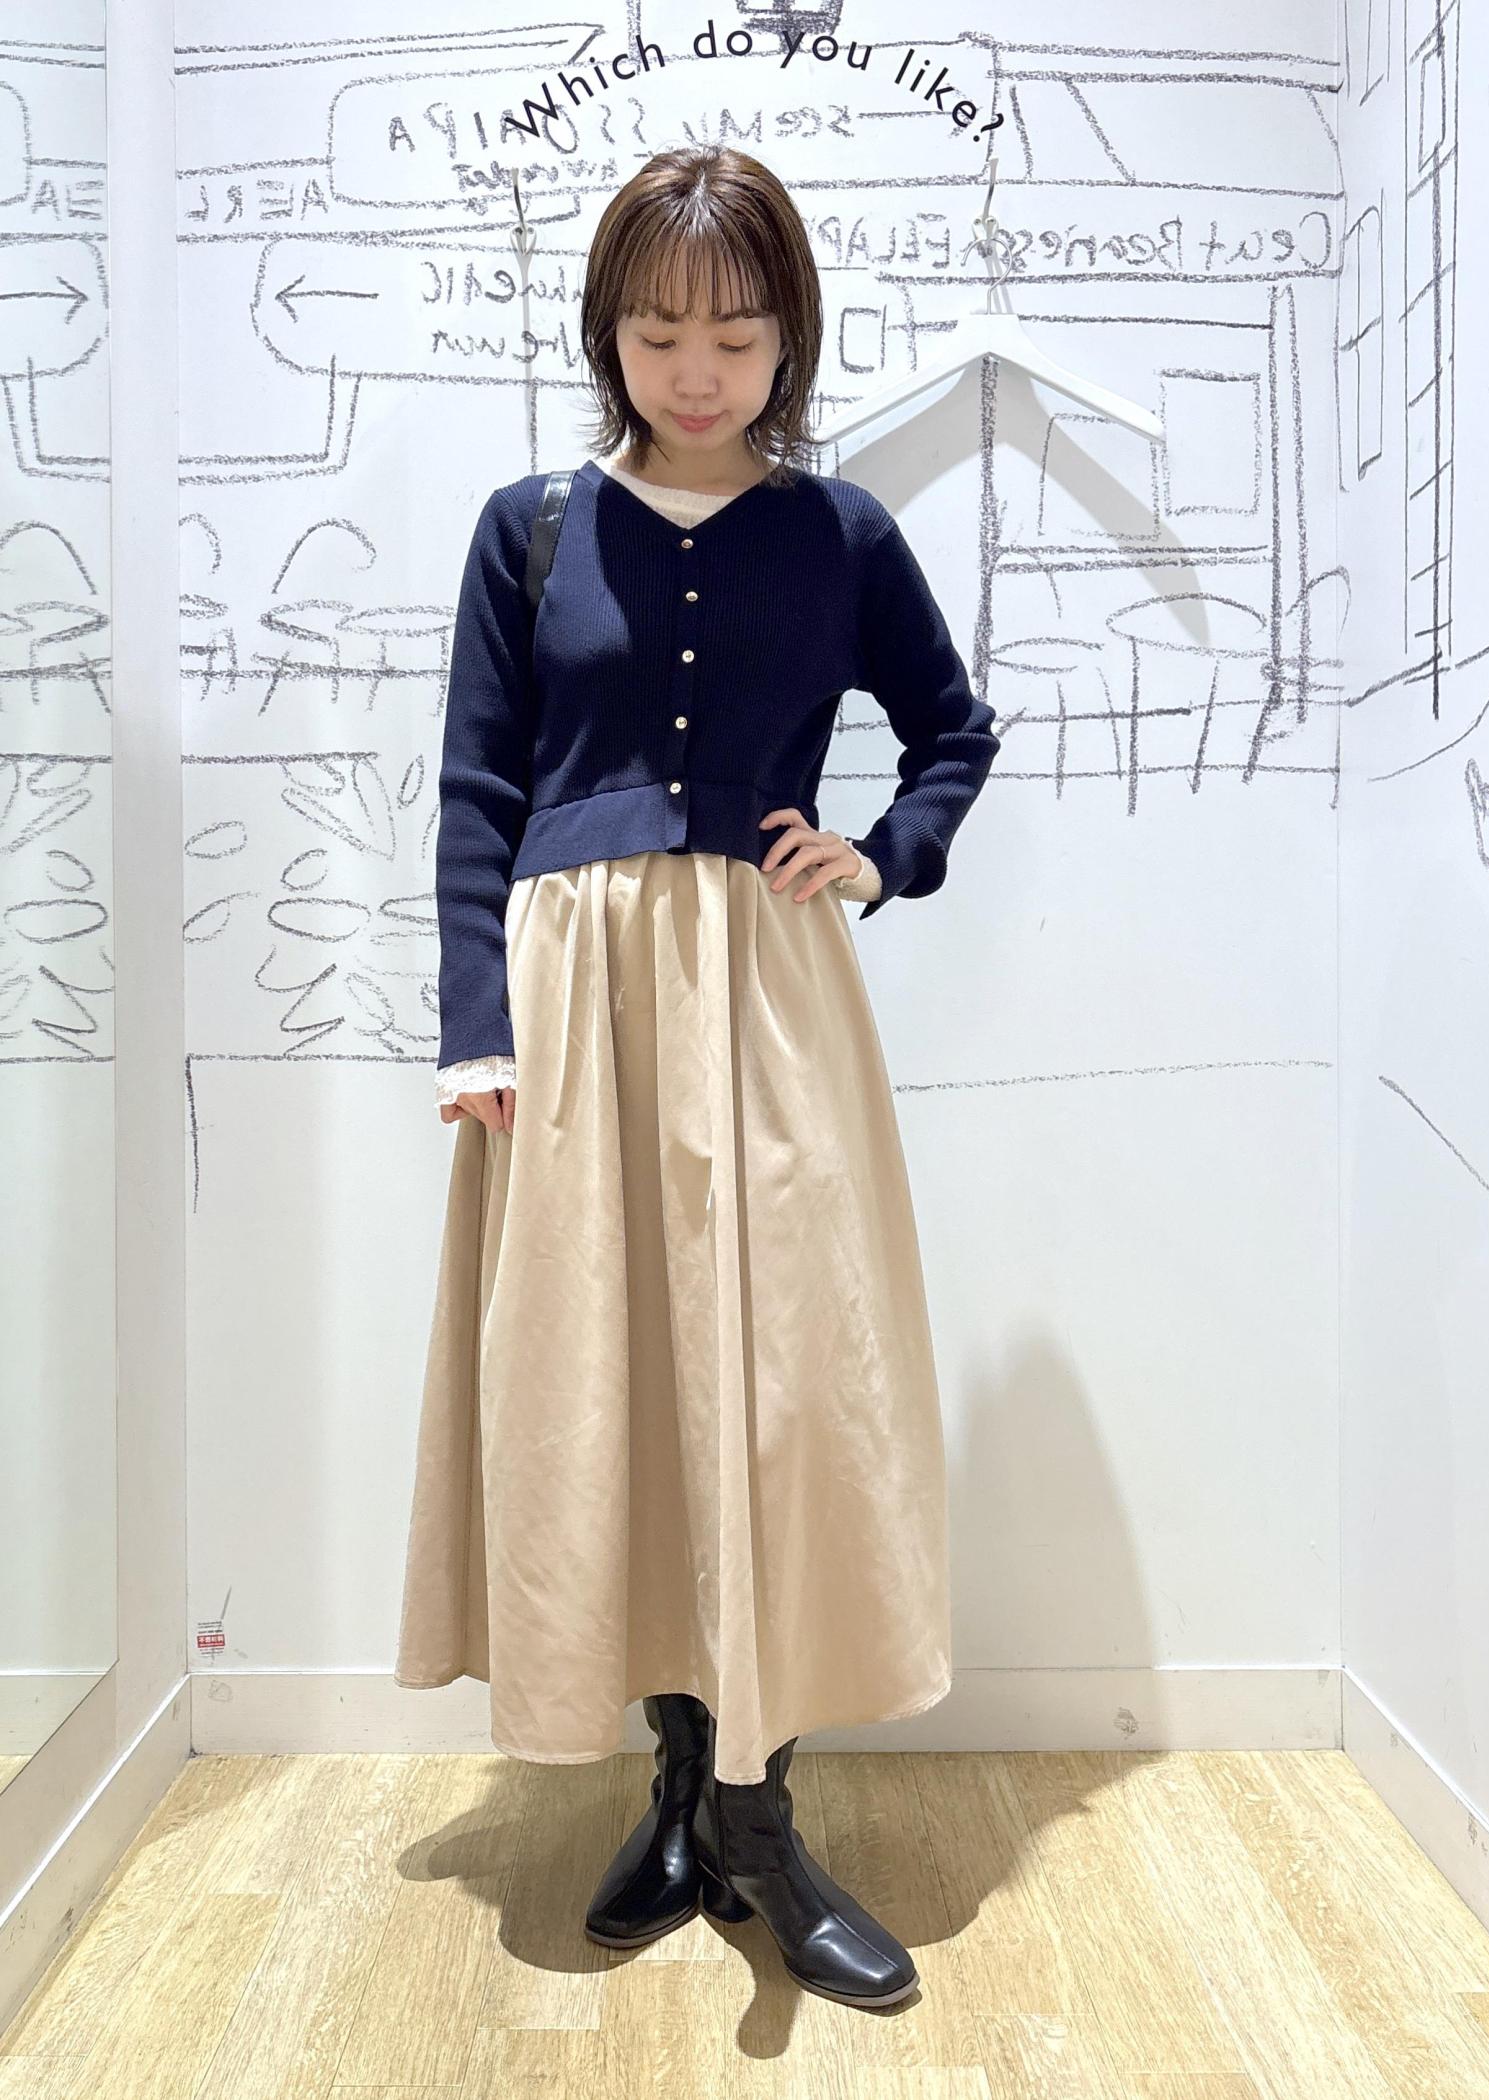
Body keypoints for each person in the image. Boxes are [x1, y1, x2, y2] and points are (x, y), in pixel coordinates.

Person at [395, 144, 999, 2011]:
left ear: (787, 337)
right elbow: (479, 788)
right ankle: (674, 1789)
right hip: (574, 1008)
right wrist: (475, 1023)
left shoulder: (842, 536)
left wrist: (883, 855)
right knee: (612, 1383)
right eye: (660, 333)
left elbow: (952, 732)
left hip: (766, 994)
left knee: (777, 1382)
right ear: (611, 336)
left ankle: (757, 1819)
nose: (698, 371)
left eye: (735, 335)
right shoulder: (525, 529)